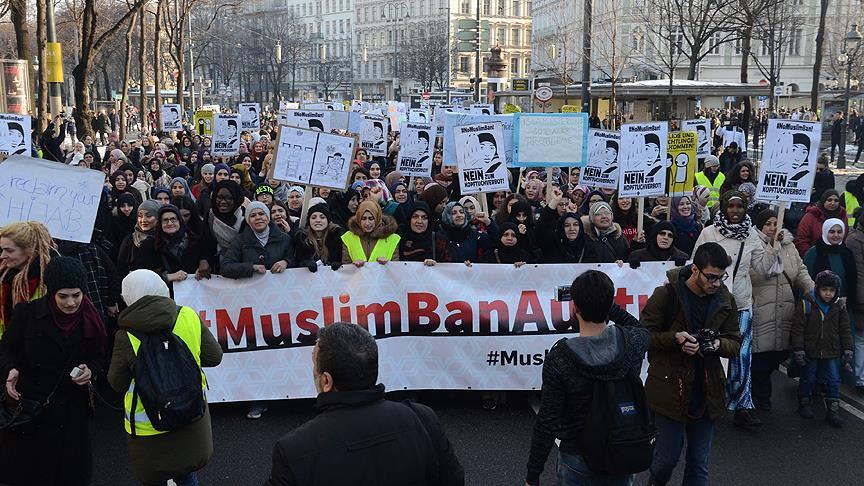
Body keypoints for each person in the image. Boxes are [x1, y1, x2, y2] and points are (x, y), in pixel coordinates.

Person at [263, 322, 464, 486]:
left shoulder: (294, 449)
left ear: (326, 381)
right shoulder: (423, 419)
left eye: (314, 364)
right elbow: (454, 479)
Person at [525, 271, 647, 486]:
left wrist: (533, 475)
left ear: (575, 308)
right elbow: (641, 329)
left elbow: (547, 422)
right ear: (609, 305)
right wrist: (606, 305)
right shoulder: (632, 341)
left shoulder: (560, 358)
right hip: (623, 448)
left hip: (577, 456)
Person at [108, 269, 223, 486]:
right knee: (187, 474)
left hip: (150, 429)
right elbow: (214, 356)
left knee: (155, 478)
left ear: (128, 297)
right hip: (192, 414)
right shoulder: (187, 316)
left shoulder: (125, 335)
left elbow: (117, 383)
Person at [641, 243, 742, 485]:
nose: (716, 283)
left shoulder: (725, 299)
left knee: (699, 464)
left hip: (707, 391)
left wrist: (716, 344)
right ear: (695, 269)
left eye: (721, 277)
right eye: (711, 277)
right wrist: (674, 339)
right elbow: (643, 336)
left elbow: (735, 342)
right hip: (670, 390)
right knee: (666, 460)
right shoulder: (666, 295)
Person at [0, 257, 106, 486]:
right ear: (51, 292)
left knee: (72, 475)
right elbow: (7, 349)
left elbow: (99, 355)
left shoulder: (91, 318)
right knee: (37, 474)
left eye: (76, 295)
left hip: (74, 411)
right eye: (63, 296)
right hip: (35, 409)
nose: (71, 303)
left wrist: (91, 369)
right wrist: (11, 369)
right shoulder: (27, 314)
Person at [692, 190, 775, 427]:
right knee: (708, 351)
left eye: (740, 206)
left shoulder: (751, 235)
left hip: (740, 303)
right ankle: (705, 400)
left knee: (742, 355)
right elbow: (694, 264)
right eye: (731, 206)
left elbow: (765, 269)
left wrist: (773, 245)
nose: (735, 210)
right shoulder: (709, 232)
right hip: (711, 302)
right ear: (724, 207)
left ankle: (742, 405)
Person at [749, 209, 814, 411]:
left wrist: (813, 291)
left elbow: (800, 271)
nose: (772, 227)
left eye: (775, 223)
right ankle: (760, 395)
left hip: (785, 308)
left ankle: (759, 389)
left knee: (777, 354)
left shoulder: (789, 245)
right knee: (760, 357)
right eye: (767, 224)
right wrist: (772, 248)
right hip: (761, 308)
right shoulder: (752, 244)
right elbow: (755, 274)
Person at [791, 270, 853, 427]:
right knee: (808, 377)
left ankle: (833, 410)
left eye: (832, 290)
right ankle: (804, 402)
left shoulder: (839, 306)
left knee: (834, 380)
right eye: (824, 289)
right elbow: (798, 329)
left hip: (832, 350)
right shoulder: (806, 304)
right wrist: (798, 348)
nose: (828, 293)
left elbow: (845, 329)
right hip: (811, 349)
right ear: (817, 288)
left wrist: (848, 348)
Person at [0, 221, 56, 340]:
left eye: (9, 250)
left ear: (31, 250)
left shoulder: (49, 279)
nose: (2, 256)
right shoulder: (3, 275)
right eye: (2, 250)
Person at [221, 201, 294, 279]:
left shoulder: (284, 238)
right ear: (248, 220)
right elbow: (225, 267)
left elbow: (295, 259)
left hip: (278, 285)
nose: (258, 218)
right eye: (253, 215)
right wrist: (251, 267)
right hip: (251, 286)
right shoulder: (239, 241)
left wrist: (286, 262)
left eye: (261, 214)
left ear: (268, 217)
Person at [803, 219, 857, 306]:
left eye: (839, 232)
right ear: (825, 232)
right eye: (832, 232)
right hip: (817, 306)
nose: (836, 235)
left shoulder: (847, 253)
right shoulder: (813, 254)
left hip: (843, 305)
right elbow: (805, 281)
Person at [795, 189, 848, 256]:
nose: (833, 203)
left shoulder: (843, 216)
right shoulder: (811, 216)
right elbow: (802, 239)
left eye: (836, 200)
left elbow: (845, 237)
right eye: (829, 200)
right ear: (823, 200)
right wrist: (809, 255)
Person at [844, 212, 864, 394]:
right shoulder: (855, 240)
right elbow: (858, 273)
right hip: (860, 298)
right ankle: (859, 378)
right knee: (860, 339)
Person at [117, 200, 162, 277]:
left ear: (158, 218)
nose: (143, 220)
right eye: (140, 216)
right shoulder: (130, 240)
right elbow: (121, 267)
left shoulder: (164, 238)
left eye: (149, 216)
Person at [294, 203, 345, 271]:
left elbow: (344, 259)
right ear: (309, 221)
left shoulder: (337, 236)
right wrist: (305, 263)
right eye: (313, 217)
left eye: (322, 217)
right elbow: (297, 261)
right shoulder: (302, 238)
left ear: (328, 220)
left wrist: (338, 263)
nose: (318, 220)